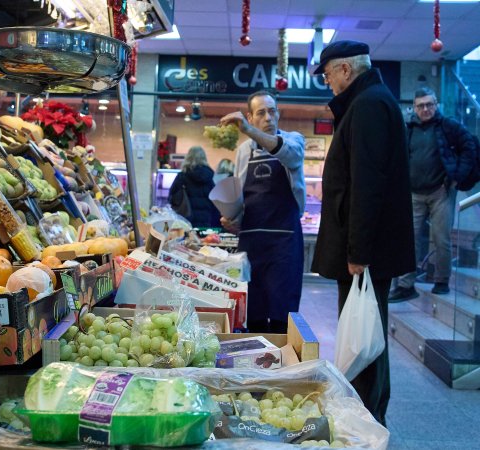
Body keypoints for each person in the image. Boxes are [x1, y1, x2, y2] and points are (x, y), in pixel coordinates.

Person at [310, 40, 416, 426]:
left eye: (328, 74)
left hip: (365, 252)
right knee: (366, 333)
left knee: (365, 336)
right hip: (366, 248)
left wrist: (358, 252)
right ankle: (367, 415)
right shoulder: (370, 101)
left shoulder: (369, 105)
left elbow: (366, 184)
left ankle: (367, 420)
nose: (327, 82)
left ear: (346, 69)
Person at [219, 90, 305, 333]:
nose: (268, 117)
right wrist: (233, 218)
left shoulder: (294, 140)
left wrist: (248, 130)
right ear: (250, 117)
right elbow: (240, 192)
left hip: (284, 243)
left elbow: (291, 157)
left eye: (272, 111)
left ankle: (281, 356)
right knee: (253, 314)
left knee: (282, 316)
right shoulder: (243, 150)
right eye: (261, 113)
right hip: (252, 243)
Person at [389, 87, 478, 302]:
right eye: (421, 105)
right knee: (409, 241)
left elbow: (470, 147)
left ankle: (442, 281)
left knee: (441, 239)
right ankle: (406, 285)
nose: (425, 109)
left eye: (429, 104)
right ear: (414, 107)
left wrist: (457, 176)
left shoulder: (449, 126)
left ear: (436, 104)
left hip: (441, 191)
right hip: (413, 193)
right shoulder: (409, 129)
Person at [168, 146, 220, 228]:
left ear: (188, 157)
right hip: (206, 220)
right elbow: (216, 201)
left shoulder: (182, 176)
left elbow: (172, 198)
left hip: (186, 220)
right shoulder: (210, 177)